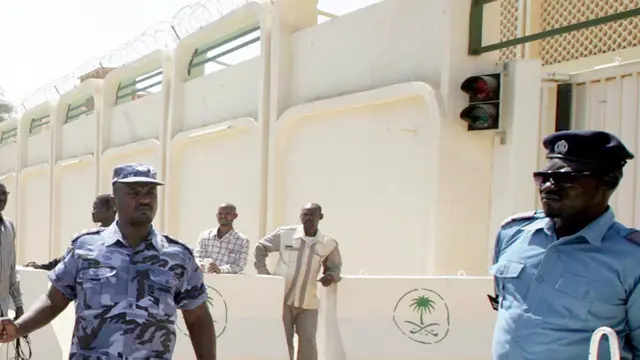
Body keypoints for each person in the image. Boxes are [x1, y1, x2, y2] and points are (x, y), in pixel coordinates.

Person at [0, 163, 216, 359]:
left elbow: (198, 317)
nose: (145, 199)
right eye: (134, 192)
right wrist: (19, 328)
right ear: (114, 201)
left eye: (151, 192)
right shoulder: (85, 247)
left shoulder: (177, 256)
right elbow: (54, 300)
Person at [490, 130, 640, 360]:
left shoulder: (631, 257)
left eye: (565, 178)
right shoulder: (513, 233)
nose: (548, 186)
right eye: (543, 177)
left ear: (608, 180)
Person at [254, 203, 342, 360]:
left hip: (308, 302)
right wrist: (264, 274)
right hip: (282, 299)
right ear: (300, 216)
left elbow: (334, 267)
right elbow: (260, 247)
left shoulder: (328, 243)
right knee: (283, 342)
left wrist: (330, 276)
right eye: (305, 215)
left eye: (312, 215)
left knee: (308, 342)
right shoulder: (285, 234)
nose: (308, 218)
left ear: (320, 217)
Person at [24, 193, 116, 271]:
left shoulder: (118, 237)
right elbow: (67, 259)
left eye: (95, 208)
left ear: (108, 210)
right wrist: (42, 267)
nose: (92, 212)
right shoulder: (90, 237)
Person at [194, 203, 250, 274]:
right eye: (220, 214)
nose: (223, 216)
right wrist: (200, 265)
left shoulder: (242, 241)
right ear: (216, 216)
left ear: (235, 216)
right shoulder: (205, 236)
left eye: (227, 214)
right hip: (203, 281)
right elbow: (197, 256)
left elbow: (240, 266)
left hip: (226, 283)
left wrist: (220, 270)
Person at [0, 183, 23, 319]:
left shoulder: (9, 226)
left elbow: (11, 269)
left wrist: (18, 305)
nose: (2, 198)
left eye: (5, 194)